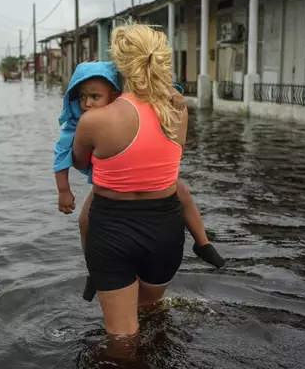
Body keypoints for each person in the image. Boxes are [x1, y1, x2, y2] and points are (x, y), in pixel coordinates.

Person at [70, 23, 224, 337]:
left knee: (122, 335)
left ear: (119, 65)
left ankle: (95, 276)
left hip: (111, 228)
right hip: (165, 229)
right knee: (152, 314)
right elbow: (171, 159)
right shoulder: (177, 111)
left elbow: (79, 161)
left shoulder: (94, 120)